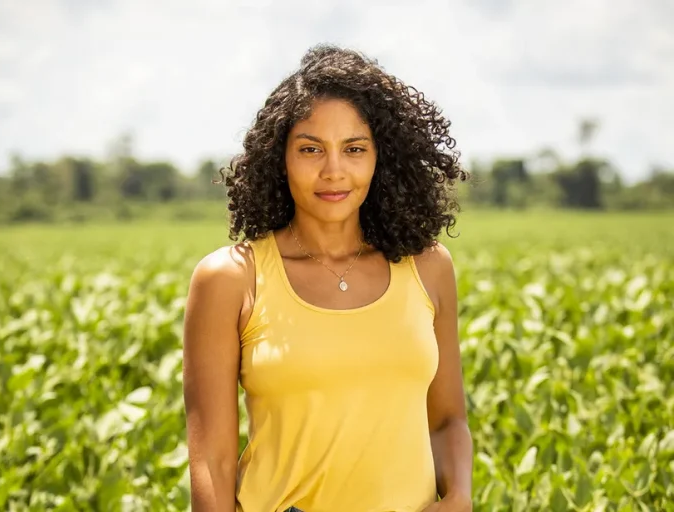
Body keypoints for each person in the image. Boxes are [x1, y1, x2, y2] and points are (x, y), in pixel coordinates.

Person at [182, 44, 473, 512]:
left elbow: (446, 420)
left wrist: (459, 496)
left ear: (383, 158)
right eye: (310, 149)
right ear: (280, 158)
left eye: (354, 149)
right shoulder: (231, 278)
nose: (333, 171)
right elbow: (211, 462)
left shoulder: (428, 267)